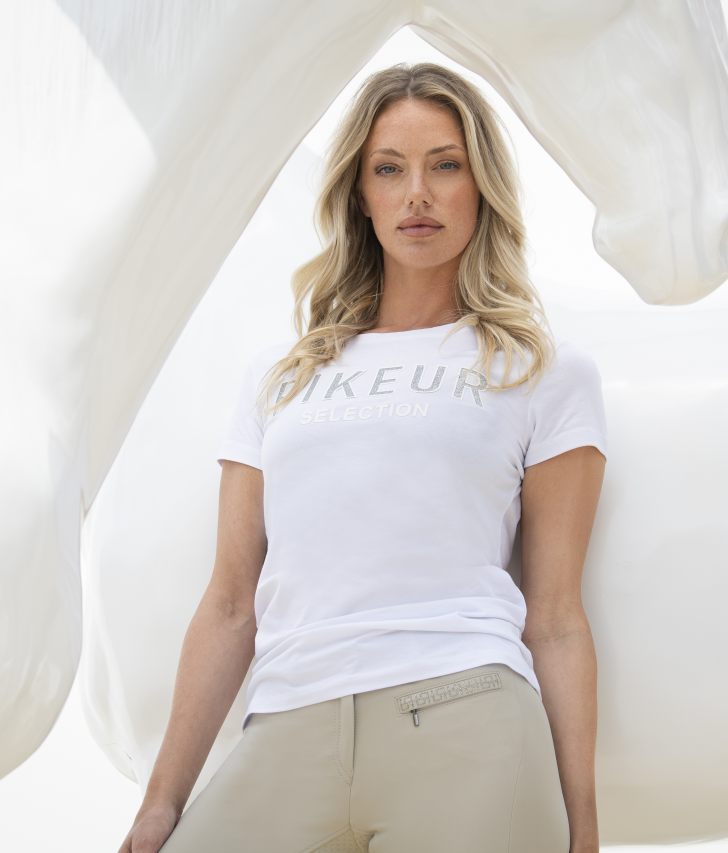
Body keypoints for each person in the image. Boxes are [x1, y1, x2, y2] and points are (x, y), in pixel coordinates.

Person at [118, 62, 607, 853]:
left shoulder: (541, 370)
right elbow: (230, 603)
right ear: (359, 193)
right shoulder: (281, 377)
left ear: (481, 186)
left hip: (465, 717)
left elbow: (555, 617)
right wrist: (160, 803)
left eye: (445, 166)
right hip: (286, 725)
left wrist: (583, 827)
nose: (417, 194)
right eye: (389, 169)